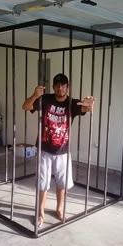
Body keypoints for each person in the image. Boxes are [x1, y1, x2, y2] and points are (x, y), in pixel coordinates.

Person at [22, 73, 95, 227]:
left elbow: (87, 109)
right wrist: (35, 95)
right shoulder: (45, 99)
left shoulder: (72, 103)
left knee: (61, 183)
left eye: (63, 85)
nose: (60, 87)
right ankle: (40, 211)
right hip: (44, 149)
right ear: (54, 86)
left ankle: (59, 209)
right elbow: (26, 106)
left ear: (67, 87)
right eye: (57, 85)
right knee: (43, 183)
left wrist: (90, 104)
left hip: (63, 151)